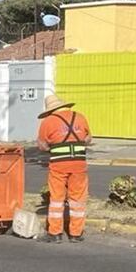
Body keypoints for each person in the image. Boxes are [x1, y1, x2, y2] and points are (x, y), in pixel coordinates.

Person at [36, 94, 92, 243]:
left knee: (56, 199)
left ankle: (55, 233)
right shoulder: (80, 117)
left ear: (50, 110)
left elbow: (42, 145)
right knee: (78, 200)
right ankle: (76, 234)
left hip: (58, 166)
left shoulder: (48, 122)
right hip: (79, 165)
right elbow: (88, 139)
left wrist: (53, 147)